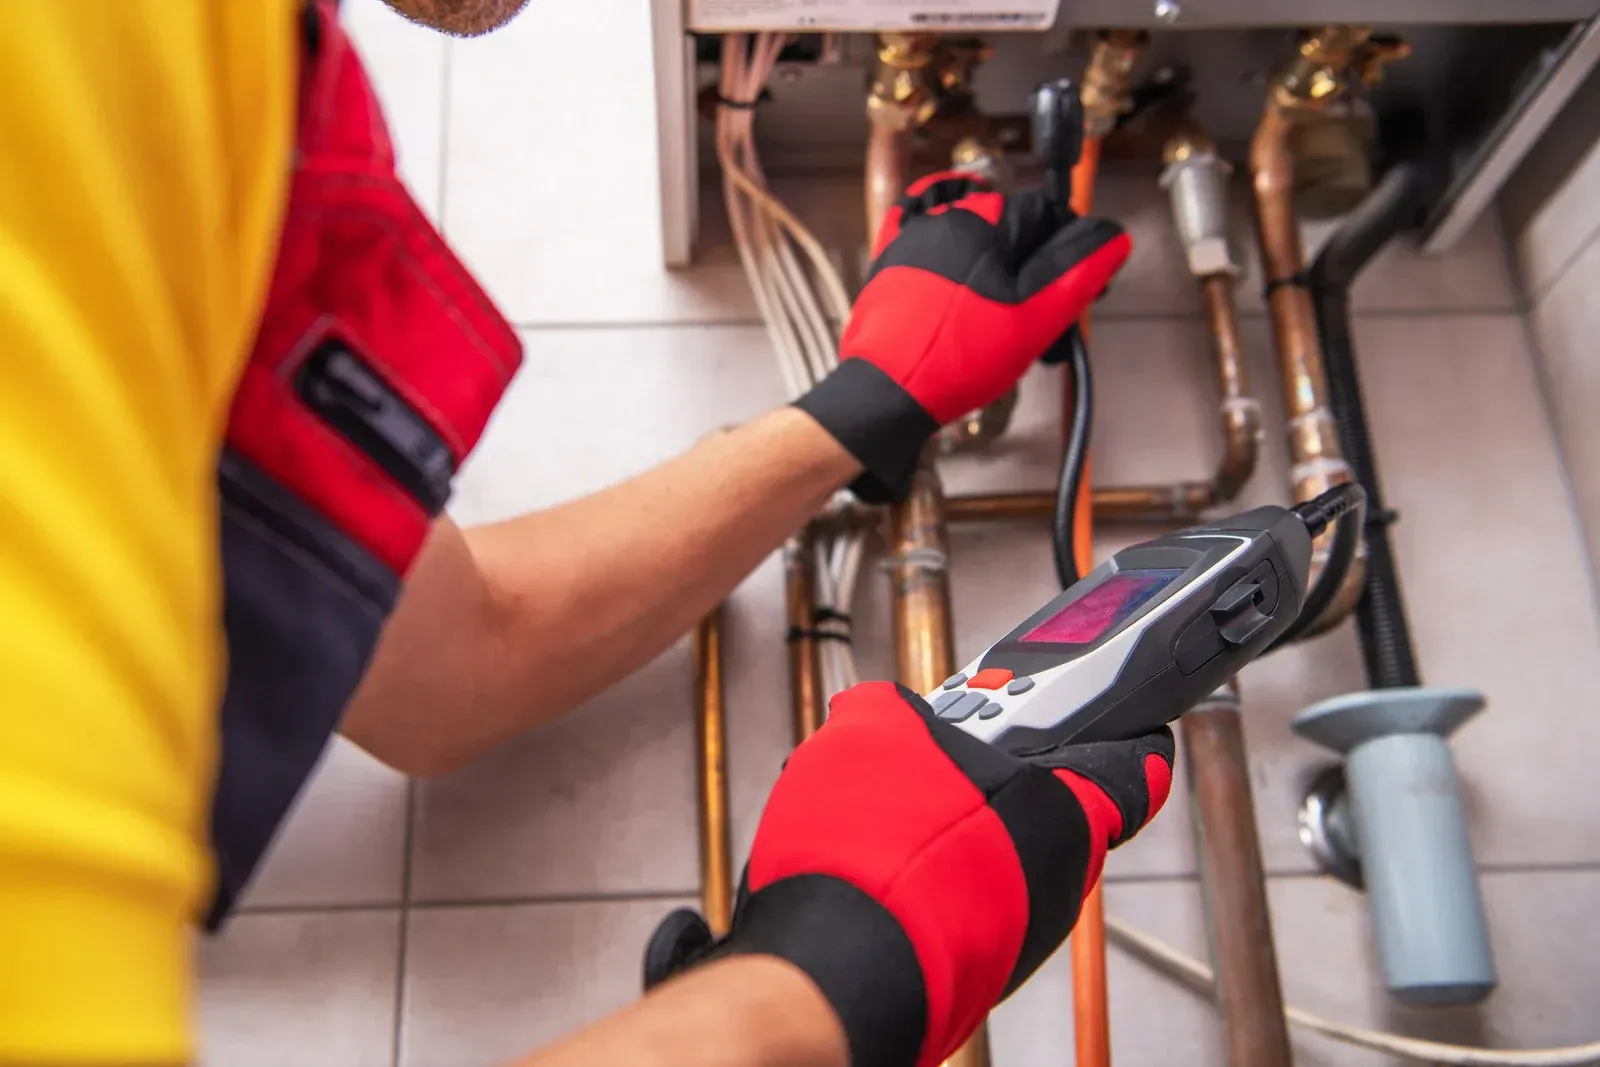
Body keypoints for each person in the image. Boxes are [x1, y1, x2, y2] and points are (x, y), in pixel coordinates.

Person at [0, 2, 1169, 1065]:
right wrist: (811, 989)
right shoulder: (70, 56)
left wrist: (857, 408)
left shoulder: (207, 76)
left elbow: (448, 664)